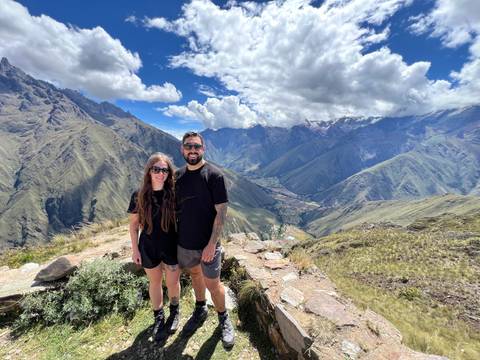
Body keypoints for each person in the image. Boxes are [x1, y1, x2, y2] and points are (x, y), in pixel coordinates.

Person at [175, 131, 235, 348]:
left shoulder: (214, 175)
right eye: (188, 146)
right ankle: (200, 309)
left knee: (214, 284)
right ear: (182, 149)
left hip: (207, 243)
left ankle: (223, 318)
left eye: (196, 147)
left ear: (203, 149)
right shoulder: (178, 176)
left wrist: (211, 244)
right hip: (185, 242)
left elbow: (221, 213)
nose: (192, 150)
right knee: (195, 275)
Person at [128, 152, 181, 342]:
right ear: (149, 171)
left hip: (171, 245)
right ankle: (158, 317)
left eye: (164, 170)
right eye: (156, 169)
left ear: (169, 172)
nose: (160, 173)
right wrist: (135, 250)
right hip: (148, 246)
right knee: (155, 282)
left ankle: (175, 312)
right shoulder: (138, 195)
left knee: (173, 282)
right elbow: (134, 226)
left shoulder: (173, 193)